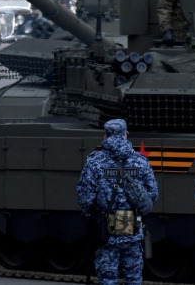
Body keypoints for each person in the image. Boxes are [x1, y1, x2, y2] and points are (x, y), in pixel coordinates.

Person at [77, 119, 159, 285]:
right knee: (133, 279)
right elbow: (152, 195)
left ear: (105, 136)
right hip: (133, 229)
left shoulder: (94, 161)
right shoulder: (140, 161)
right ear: (125, 135)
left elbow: (85, 198)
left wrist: (91, 215)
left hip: (105, 231)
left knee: (108, 279)